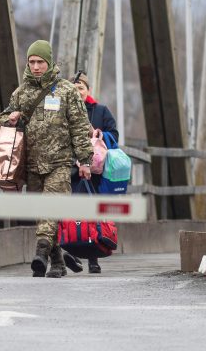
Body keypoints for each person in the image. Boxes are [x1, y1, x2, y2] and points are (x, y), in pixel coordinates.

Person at [0, 40, 92, 278]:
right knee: (44, 213)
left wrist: (85, 160)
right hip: (31, 163)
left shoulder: (67, 90)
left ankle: (40, 251)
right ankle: (58, 262)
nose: (36, 66)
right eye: (32, 62)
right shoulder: (21, 92)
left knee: (51, 207)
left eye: (40, 62)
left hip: (59, 162)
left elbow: (80, 126)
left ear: (49, 62)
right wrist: (11, 118)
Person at [68, 71, 119, 274]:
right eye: (73, 89)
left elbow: (114, 135)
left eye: (80, 88)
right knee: (72, 214)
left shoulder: (100, 111)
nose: (77, 92)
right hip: (71, 169)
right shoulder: (64, 111)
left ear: (88, 90)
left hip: (94, 172)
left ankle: (93, 258)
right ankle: (71, 254)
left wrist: (99, 135)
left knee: (91, 215)